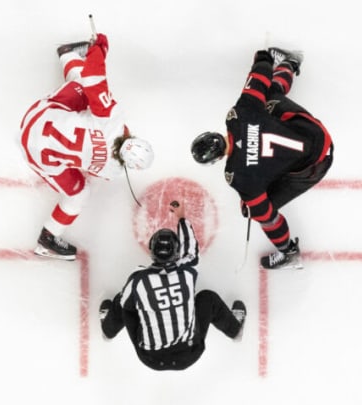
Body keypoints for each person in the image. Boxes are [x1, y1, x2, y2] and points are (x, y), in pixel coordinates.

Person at [190, 47, 334, 270]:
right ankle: (290, 63)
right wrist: (263, 58)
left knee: (257, 212)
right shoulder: (238, 114)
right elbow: (257, 80)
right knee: (269, 96)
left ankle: (289, 252)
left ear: (215, 160)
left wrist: (249, 201)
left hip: (315, 164)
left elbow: (265, 214)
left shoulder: (237, 176)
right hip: (315, 133)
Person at [19, 33, 154, 260]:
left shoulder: (113, 120)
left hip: (38, 116)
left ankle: (69, 55)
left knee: (83, 87)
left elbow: (93, 78)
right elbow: (91, 167)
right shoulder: (113, 171)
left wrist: (99, 49)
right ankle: (48, 238)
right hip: (36, 152)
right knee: (79, 193)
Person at [98, 201, 246, 371]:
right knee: (208, 299)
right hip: (190, 353)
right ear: (176, 253)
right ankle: (235, 330)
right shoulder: (187, 271)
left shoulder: (138, 280)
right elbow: (191, 250)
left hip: (151, 358)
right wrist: (182, 218)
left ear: (152, 251)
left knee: (124, 300)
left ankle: (108, 330)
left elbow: (126, 304)